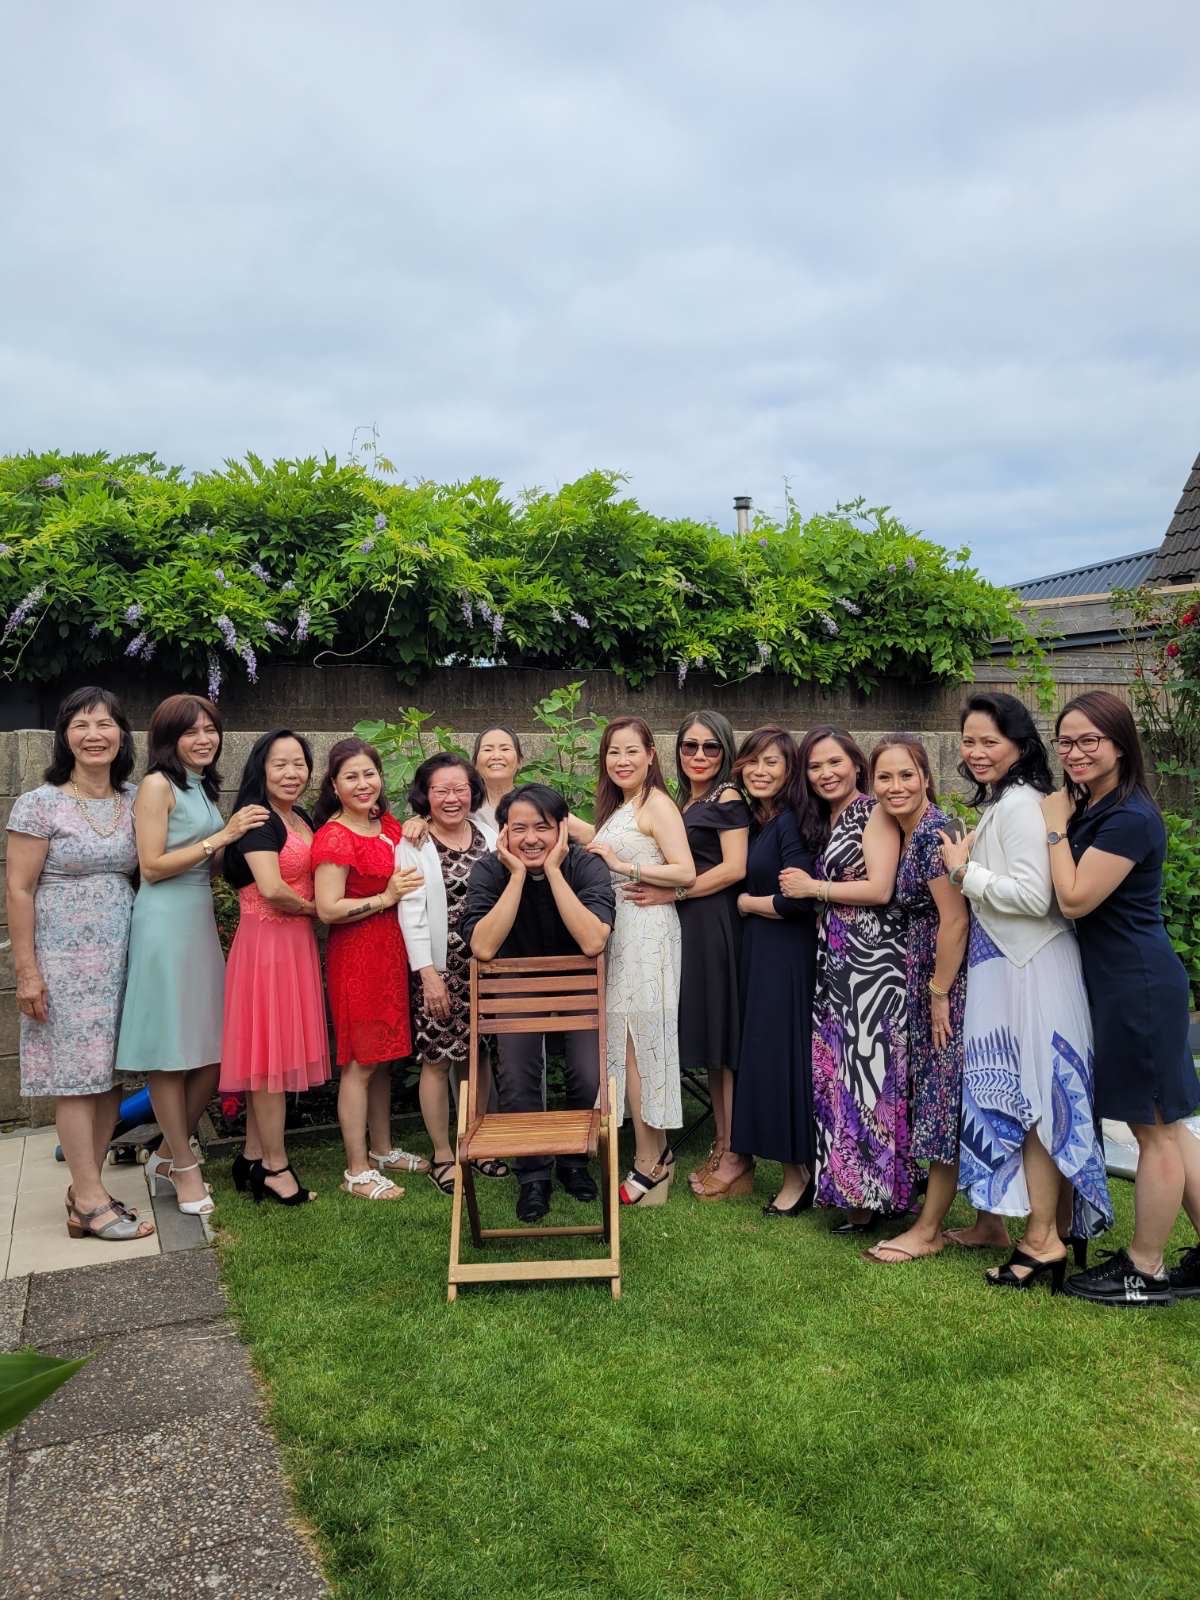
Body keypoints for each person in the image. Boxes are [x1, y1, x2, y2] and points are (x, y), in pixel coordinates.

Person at [939, 693, 1112, 1292]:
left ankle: (1043, 1240)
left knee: (1037, 1102)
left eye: (990, 741)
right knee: (1036, 1098)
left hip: (1028, 969)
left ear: (1019, 744)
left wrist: (963, 871)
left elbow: (1035, 898)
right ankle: (1052, 1229)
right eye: (969, 741)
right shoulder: (1012, 801)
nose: (976, 752)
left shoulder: (1019, 805)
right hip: (1013, 966)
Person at [1042, 691, 1200, 1306]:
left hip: (1138, 985)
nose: (1075, 752)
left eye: (1089, 741)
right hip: (1122, 983)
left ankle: (1145, 1268)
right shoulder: (1098, 806)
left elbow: (1075, 897)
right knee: (1169, 1126)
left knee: (1153, 1130)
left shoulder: (1129, 816)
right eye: (1066, 741)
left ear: (1119, 745)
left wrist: (1054, 825)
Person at [5, 687, 153, 1243]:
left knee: (110, 1077)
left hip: (124, 954)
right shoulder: (39, 804)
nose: (94, 735)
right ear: (64, 736)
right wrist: (27, 971)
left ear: (122, 734)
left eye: (105, 723)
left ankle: (86, 1193)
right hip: (63, 959)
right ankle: (89, 1200)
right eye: (81, 725)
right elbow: (19, 889)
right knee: (75, 1079)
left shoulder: (136, 797)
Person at [116, 693, 269, 1219]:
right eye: (191, 731)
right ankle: (183, 1164)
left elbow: (214, 860)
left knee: (214, 1049)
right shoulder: (157, 785)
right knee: (169, 1050)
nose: (204, 739)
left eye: (210, 729)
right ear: (168, 738)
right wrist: (222, 835)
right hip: (162, 922)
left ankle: (164, 1153)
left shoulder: (200, 785)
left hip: (197, 920)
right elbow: (152, 865)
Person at [461, 783, 615, 1224]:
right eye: (519, 828)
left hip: (579, 985)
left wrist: (553, 871)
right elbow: (483, 947)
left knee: (587, 1072)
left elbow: (593, 940)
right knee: (516, 1072)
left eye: (542, 828)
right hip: (515, 987)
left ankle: (573, 1161)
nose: (531, 838)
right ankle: (533, 1175)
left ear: (563, 829)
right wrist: (515, 877)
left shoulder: (586, 866)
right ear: (503, 833)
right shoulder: (489, 871)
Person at [777, 725, 909, 1232]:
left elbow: (880, 889)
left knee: (867, 1075)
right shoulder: (828, 818)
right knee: (839, 1076)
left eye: (834, 762)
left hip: (872, 965)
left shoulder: (873, 811)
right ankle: (854, 1191)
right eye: (814, 766)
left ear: (857, 764)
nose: (825, 773)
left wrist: (815, 888)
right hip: (838, 961)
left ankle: (871, 1197)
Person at [628, 711, 749, 1202]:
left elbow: (734, 868)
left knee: (723, 1044)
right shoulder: (684, 800)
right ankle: (724, 1145)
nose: (699, 755)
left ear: (725, 751)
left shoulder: (728, 796)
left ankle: (733, 1153)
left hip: (712, 924)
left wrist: (675, 893)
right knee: (712, 1044)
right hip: (686, 926)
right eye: (689, 746)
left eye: (710, 747)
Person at [577, 718, 695, 1206]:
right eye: (612, 752)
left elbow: (686, 871)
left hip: (648, 933)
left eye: (631, 751)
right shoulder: (623, 807)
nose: (621, 761)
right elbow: (602, 841)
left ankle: (651, 1162)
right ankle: (655, 1155)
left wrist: (625, 866)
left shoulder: (657, 803)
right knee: (628, 1047)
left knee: (641, 1046)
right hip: (623, 932)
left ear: (650, 755)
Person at [862, 735, 969, 1265]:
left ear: (926, 777)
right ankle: (991, 1225)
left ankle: (928, 1230)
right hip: (929, 976)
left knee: (943, 1099)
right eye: (884, 777)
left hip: (947, 981)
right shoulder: (908, 830)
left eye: (907, 775)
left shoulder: (932, 833)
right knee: (946, 1095)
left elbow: (956, 919)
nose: (895, 786)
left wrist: (939, 994)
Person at [312, 738, 425, 1201]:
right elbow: (327, 908)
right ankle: (356, 1170)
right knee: (360, 1063)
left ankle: (382, 1149)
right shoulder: (335, 837)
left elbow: (411, 844)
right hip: (357, 957)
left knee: (382, 1059)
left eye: (369, 774)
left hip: (390, 955)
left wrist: (418, 822)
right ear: (334, 786)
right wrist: (385, 897)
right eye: (351, 777)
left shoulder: (385, 823)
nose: (363, 784)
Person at [220, 730, 328, 1206]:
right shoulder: (259, 818)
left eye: (299, 763)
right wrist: (318, 909)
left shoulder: (299, 816)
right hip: (266, 947)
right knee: (268, 1061)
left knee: (273, 1054)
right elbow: (271, 888)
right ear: (261, 768)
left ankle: (251, 1156)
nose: (291, 773)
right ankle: (275, 1167)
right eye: (280, 764)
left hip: (294, 945)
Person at [396, 753, 500, 1196]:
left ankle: (479, 1143)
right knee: (437, 1061)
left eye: (460, 789)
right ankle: (443, 1155)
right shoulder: (414, 844)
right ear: (426, 795)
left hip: (485, 966)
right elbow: (412, 913)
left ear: (473, 792)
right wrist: (428, 975)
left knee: (480, 1056)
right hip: (440, 968)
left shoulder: (490, 835)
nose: (452, 798)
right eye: (441, 790)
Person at [729, 726, 819, 1217]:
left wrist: (747, 903)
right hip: (761, 952)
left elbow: (796, 901)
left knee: (780, 1060)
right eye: (753, 761)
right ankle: (797, 1170)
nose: (759, 771)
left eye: (772, 763)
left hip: (784, 955)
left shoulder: (788, 822)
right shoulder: (761, 820)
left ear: (790, 771)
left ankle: (796, 1176)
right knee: (764, 1058)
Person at [472, 726, 524, 829]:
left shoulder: (536, 805)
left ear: (519, 761)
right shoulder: (466, 809)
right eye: (487, 750)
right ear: (475, 763)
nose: (496, 756)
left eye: (505, 749)